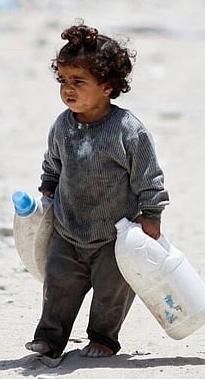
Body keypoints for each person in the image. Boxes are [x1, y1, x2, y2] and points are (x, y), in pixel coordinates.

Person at [24, 22, 169, 362]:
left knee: (111, 292)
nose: (68, 90)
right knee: (58, 285)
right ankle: (49, 339)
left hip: (114, 235)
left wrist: (151, 214)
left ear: (107, 87)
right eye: (63, 81)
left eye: (78, 82)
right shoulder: (63, 125)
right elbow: (53, 163)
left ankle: (103, 338)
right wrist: (48, 187)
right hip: (68, 229)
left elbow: (148, 176)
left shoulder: (127, 131)